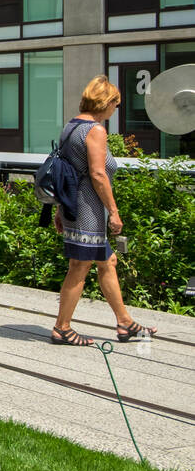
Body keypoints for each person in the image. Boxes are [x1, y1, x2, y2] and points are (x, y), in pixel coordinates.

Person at [51, 76, 157, 346]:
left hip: (74, 205)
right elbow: (98, 174)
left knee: (107, 262)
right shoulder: (95, 130)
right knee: (79, 266)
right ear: (106, 102)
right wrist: (114, 211)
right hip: (89, 209)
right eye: (116, 104)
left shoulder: (71, 126)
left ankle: (125, 323)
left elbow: (66, 171)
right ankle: (62, 328)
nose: (115, 110)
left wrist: (60, 210)